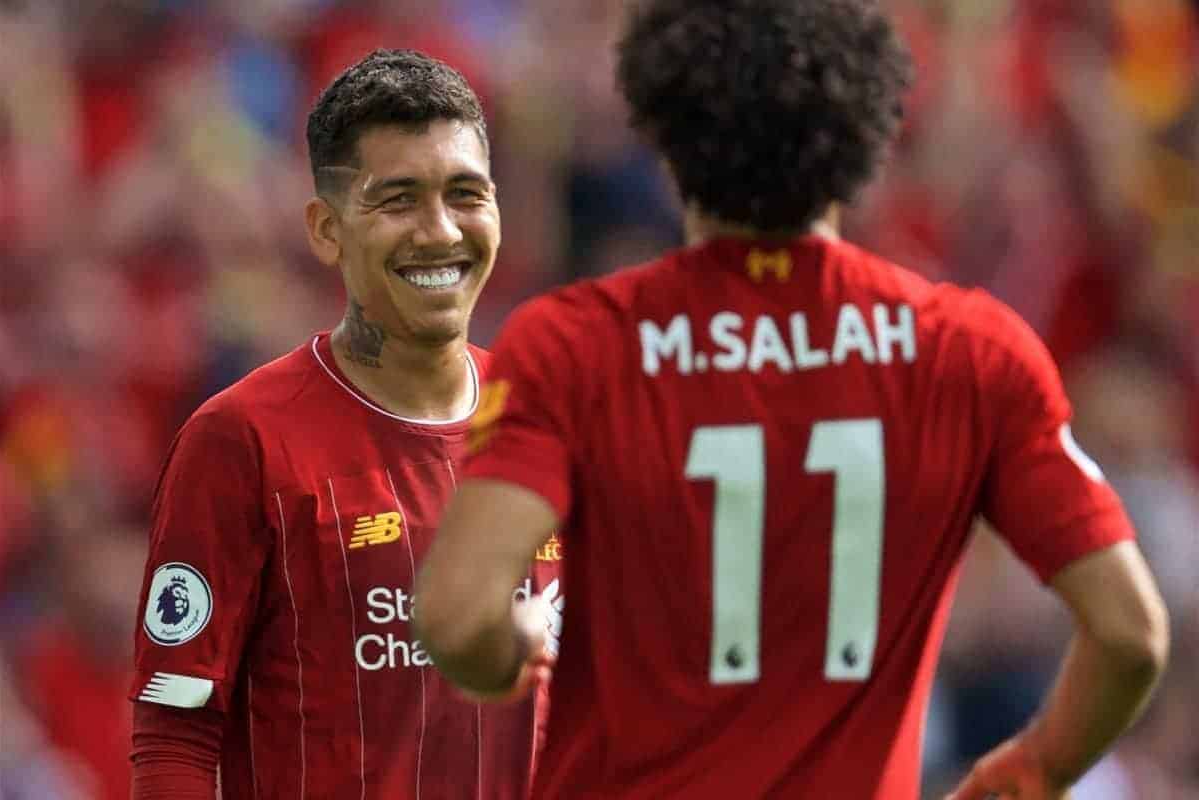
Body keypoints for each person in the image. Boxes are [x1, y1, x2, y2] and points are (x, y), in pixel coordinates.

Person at [412, 2, 1170, 798]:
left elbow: (460, 618)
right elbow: (1130, 636)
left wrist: (507, 657)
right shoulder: (970, 352)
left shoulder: (577, 346)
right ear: (866, 140)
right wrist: (1036, 768)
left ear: (667, 140)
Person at [128, 49, 560, 799]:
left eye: (466, 194)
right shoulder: (242, 440)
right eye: (398, 200)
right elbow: (173, 735)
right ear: (326, 230)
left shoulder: (553, 424)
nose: (440, 231)